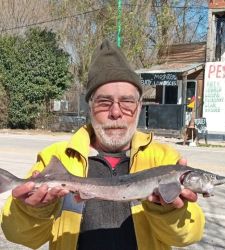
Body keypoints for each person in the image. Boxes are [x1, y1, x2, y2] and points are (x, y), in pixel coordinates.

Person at [1, 39, 205, 250]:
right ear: (90, 107)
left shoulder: (164, 159)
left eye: (126, 102)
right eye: (104, 102)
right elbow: (18, 235)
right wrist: (33, 210)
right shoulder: (57, 158)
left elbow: (188, 237)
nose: (116, 112)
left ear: (139, 106)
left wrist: (168, 208)